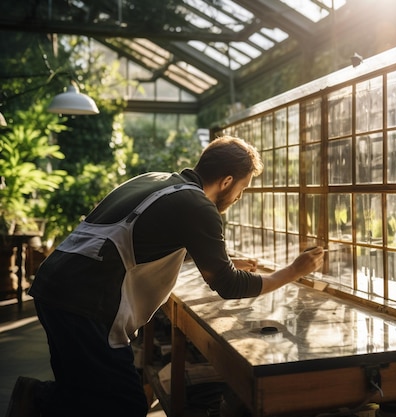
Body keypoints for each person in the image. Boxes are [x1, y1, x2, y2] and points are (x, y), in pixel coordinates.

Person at [6, 135, 325, 417]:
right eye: (242, 189)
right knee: (124, 403)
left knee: (81, 391)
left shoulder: (157, 180)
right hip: (86, 303)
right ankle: (36, 399)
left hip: (56, 286)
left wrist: (218, 259)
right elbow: (227, 285)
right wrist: (293, 271)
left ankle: (39, 399)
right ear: (227, 181)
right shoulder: (198, 205)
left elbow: (141, 238)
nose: (239, 197)